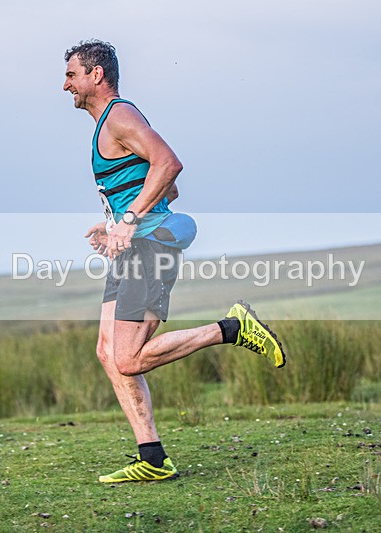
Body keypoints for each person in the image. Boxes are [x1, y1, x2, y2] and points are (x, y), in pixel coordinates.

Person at [63, 39, 286, 483]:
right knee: (108, 352)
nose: (64, 84)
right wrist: (116, 225)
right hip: (135, 248)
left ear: (96, 75)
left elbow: (169, 164)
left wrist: (129, 221)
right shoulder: (111, 124)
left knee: (128, 359)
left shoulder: (119, 116)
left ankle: (232, 328)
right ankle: (152, 457)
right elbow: (167, 188)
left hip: (149, 250)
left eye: (71, 74)